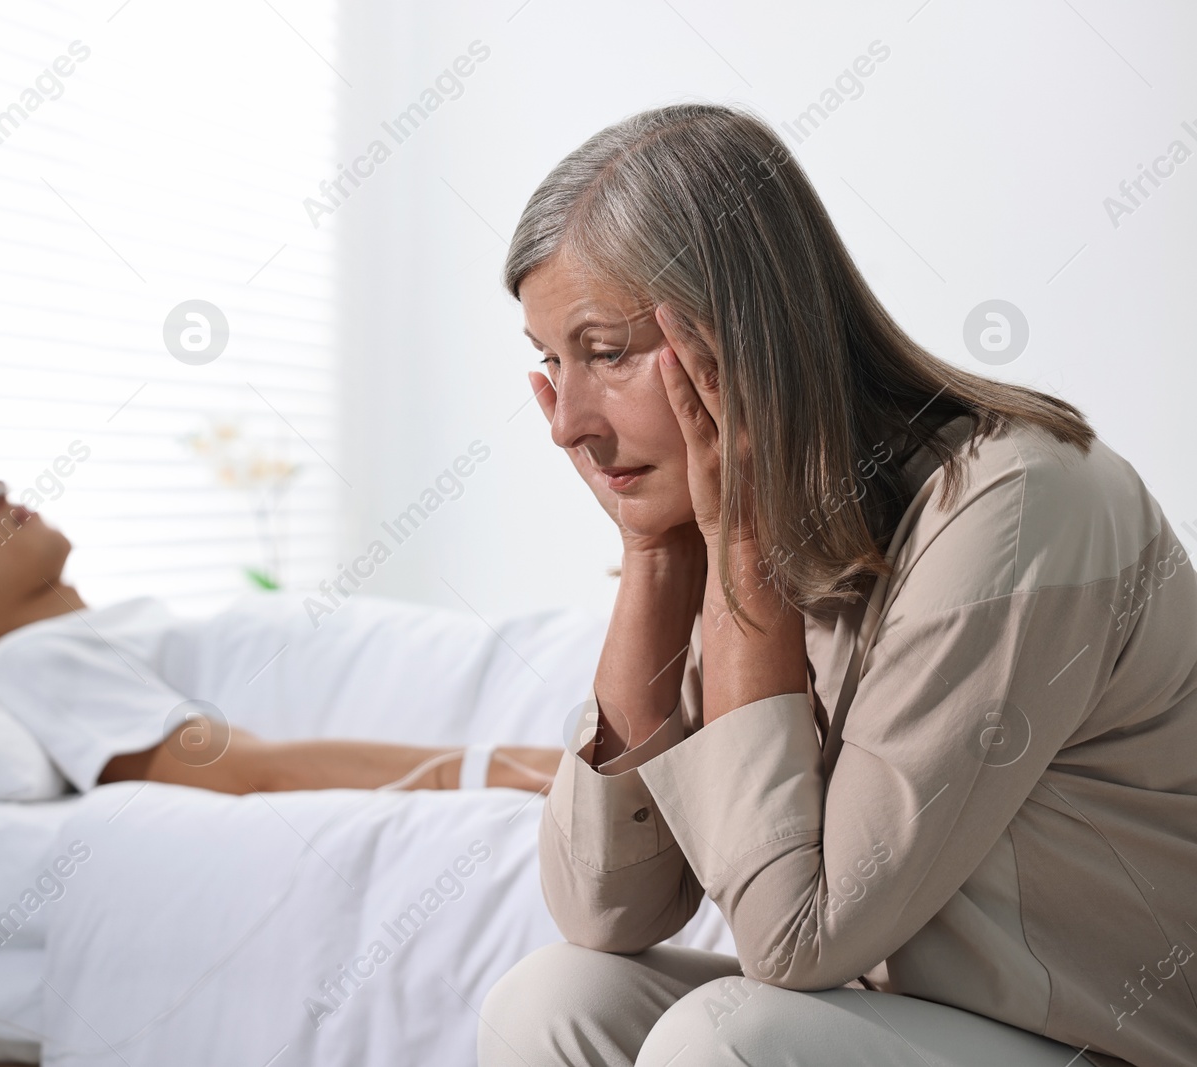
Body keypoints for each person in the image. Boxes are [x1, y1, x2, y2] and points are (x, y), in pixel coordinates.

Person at [478, 103, 1196, 1067]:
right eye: (550, 364)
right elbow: (607, 907)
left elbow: (792, 939)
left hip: (1098, 1044)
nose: (566, 422)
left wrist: (739, 557)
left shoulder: (1016, 506)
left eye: (606, 352)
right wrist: (657, 557)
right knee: (553, 999)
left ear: (741, 330)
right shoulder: (749, 504)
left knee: (720, 1040)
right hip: (900, 1026)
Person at [0, 473, 560, 796]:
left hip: (547, 671)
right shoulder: (30, 665)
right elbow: (245, 773)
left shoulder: (112, 631)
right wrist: (511, 768)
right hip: (548, 721)